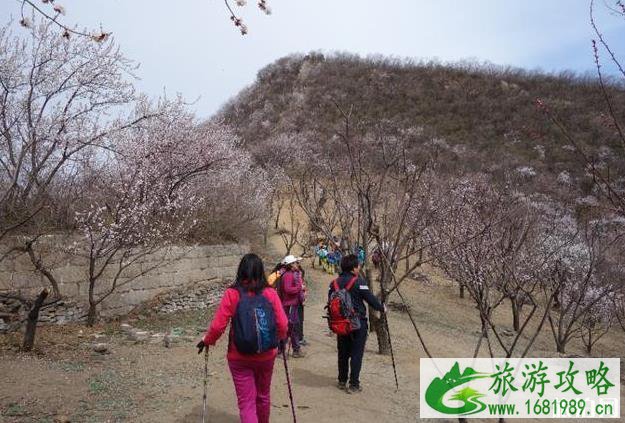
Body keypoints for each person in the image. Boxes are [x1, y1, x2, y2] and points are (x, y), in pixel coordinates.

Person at [197, 253, 288, 423]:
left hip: (239, 357)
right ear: (261, 271)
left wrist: (207, 340)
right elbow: (283, 324)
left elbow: (217, 326)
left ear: (241, 270)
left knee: (246, 403)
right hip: (266, 355)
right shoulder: (270, 293)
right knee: (263, 396)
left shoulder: (232, 293)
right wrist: (281, 339)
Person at [329, 254, 386, 394]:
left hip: (341, 323)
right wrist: (382, 308)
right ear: (354, 268)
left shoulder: (334, 283)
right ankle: (354, 384)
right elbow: (371, 300)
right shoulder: (359, 282)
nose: (359, 267)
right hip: (357, 324)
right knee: (356, 353)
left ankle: (342, 380)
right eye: (358, 265)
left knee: (342, 353)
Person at [277, 254, 306, 358]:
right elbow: (288, 289)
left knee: (293, 328)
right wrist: (300, 288)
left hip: (292, 305)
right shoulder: (288, 275)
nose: (296, 264)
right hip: (289, 306)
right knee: (289, 328)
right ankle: (282, 350)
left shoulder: (290, 274)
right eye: (294, 263)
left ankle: (295, 349)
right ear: (290, 265)